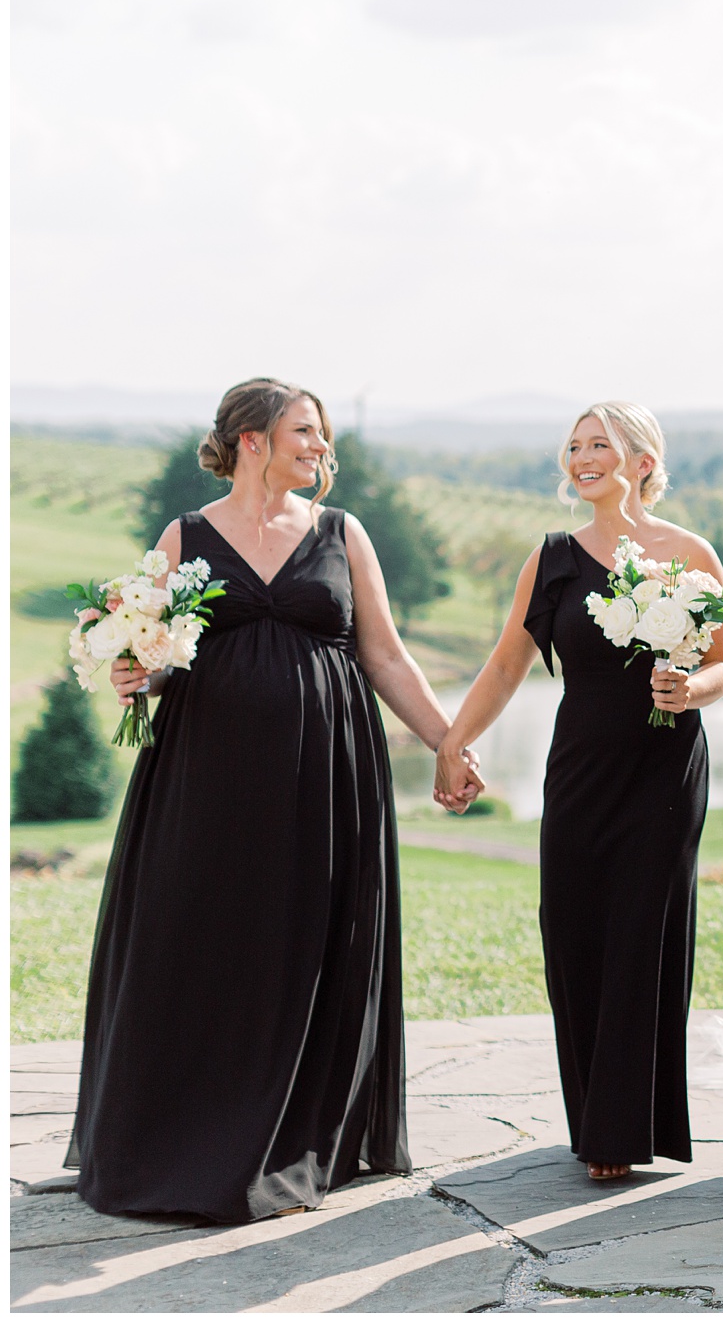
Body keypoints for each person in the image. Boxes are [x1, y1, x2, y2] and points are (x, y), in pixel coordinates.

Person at [69, 378, 459, 1222]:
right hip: (204, 779)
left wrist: (447, 741)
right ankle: (182, 1136)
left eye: (319, 433)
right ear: (253, 440)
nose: (321, 446)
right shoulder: (187, 534)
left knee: (307, 944)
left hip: (327, 780)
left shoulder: (341, 533)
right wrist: (136, 674)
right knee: (198, 939)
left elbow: (386, 656)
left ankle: (294, 1140)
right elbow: (157, 651)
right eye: (305, 431)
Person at [435, 402, 723, 1181]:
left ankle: (619, 1130)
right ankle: (595, 1115)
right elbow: (506, 663)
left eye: (600, 444)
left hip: (663, 771)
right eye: (573, 446)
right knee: (573, 933)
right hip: (578, 771)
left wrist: (690, 688)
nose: (582, 457)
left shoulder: (691, 552)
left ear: (642, 460)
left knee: (642, 935)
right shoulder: (554, 558)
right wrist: (452, 741)